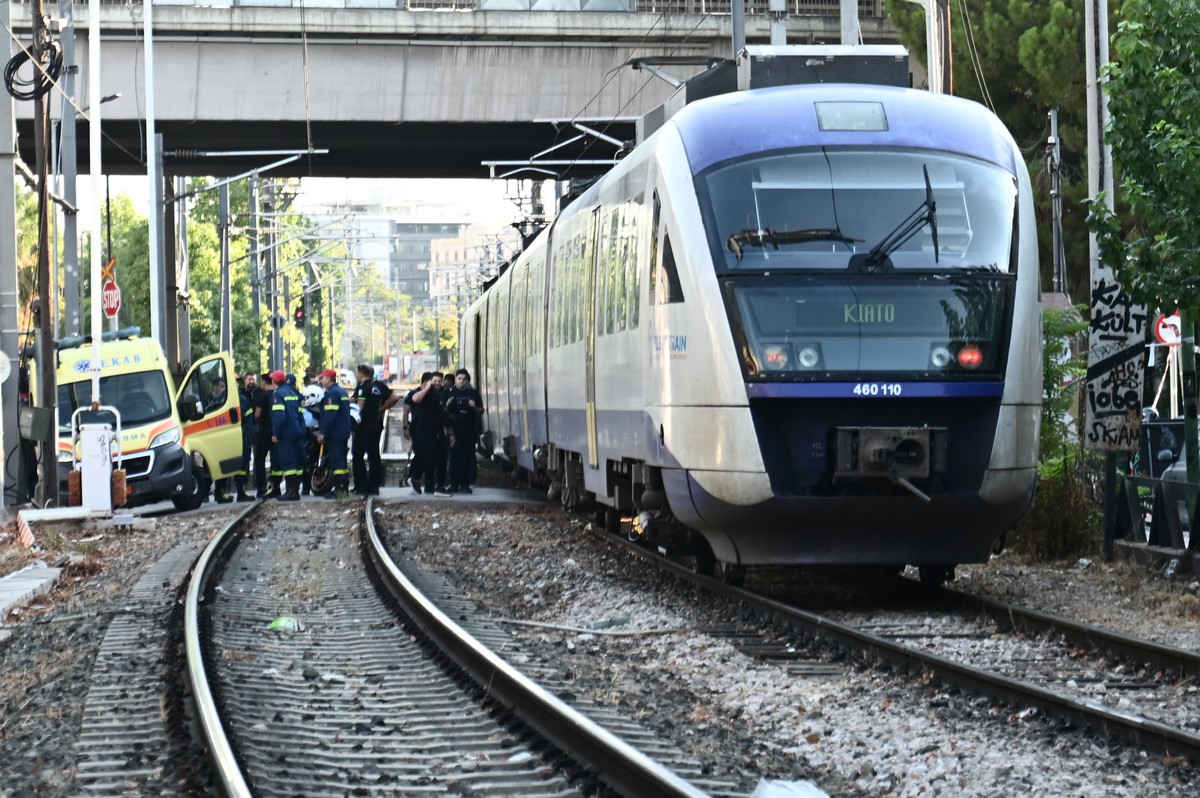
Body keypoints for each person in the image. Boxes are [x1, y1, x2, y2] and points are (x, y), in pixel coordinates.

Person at [352, 363, 398, 497]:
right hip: (375, 425)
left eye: (356, 373)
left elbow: (359, 407)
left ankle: (361, 485)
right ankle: (373, 485)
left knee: (358, 455)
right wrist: (381, 409)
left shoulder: (362, 388)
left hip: (363, 426)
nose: (356, 375)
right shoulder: (376, 388)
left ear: (361, 373)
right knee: (374, 455)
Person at [408, 372, 450, 495]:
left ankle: (438, 486)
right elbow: (415, 399)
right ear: (430, 381)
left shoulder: (439, 395)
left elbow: (442, 414)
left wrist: (450, 432)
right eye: (434, 381)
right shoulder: (426, 393)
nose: (437, 383)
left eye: (439, 381)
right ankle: (414, 477)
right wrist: (426, 388)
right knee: (427, 455)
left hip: (437, 430)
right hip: (424, 430)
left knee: (441, 456)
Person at [443, 368, 483, 494]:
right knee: (454, 457)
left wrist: (474, 407)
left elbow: (481, 410)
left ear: (468, 381)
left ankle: (465, 484)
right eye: (459, 379)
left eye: (464, 379)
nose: (461, 382)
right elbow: (440, 410)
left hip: (468, 428)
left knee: (467, 457)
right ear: (455, 380)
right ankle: (453, 483)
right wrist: (446, 405)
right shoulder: (447, 393)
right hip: (454, 428)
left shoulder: (473, 393)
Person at [269, 369, 306, 501]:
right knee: (296, 462)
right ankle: (295, 491)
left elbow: (279, 417)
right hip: (296, 431)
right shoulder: (293, 393)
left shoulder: (278, 395)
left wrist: (275, 433)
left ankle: (290, 492)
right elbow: (300, 414)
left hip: (285, 433)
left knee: (288, 462)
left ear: (274, 382)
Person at [316, 368, 353, 498]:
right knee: (341, 461)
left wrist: (323, 433)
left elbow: (330, 416)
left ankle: (339, 490)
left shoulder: (332, 394)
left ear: (329, 379)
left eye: (322, 378)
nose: (321, 380)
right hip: (342, 431)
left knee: (337, 461)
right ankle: (343, 488)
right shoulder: (341, 391)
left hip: (335, 433)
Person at [253, 372, 276, 498]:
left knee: (259, 459)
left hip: (264, 431)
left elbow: (257, 414)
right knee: (275, 459)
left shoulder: (262, 396)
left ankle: (261, 487)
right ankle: (274, 486)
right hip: (276, 431)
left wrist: (259, 422)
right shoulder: (277, 395)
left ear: (263, 382)